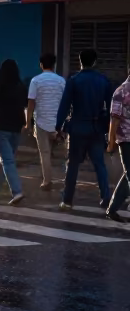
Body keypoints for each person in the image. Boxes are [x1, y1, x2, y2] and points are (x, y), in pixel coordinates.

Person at [56, 48, 113, 211]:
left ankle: (67, 201)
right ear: (94, 62)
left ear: (80, 61)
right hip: (96, 128)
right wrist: (109, 129)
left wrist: (58, 127)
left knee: (73, 165)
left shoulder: (74, 81)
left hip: (77, 128)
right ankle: (106, 198)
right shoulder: (104, 81)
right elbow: (110, 108)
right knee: (99, 165)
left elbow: (64, 106)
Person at [0, 58, 27, 206]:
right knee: (6, 160)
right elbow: (26, 106)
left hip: (0, 128)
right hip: (16, 129)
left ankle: (17, 191)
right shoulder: (21, 87)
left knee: (7, 161)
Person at [28, 53, 66, 191]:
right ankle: (66, 180)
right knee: (61, 154)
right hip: (58, 123)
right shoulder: (61, 81)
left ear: (41, 64)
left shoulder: (35, 81)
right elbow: (65, 102)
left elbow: (31, 103)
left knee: (45, 153)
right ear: (54, 65)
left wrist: (28, 122)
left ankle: (47, 181)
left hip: (41, 122)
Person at [104, 66, 130, 223]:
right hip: (126, 139)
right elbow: (114, 118)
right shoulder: (121, 92)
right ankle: (112, 209)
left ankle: (112, 209)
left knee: (128, 174)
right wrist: (111, 141)